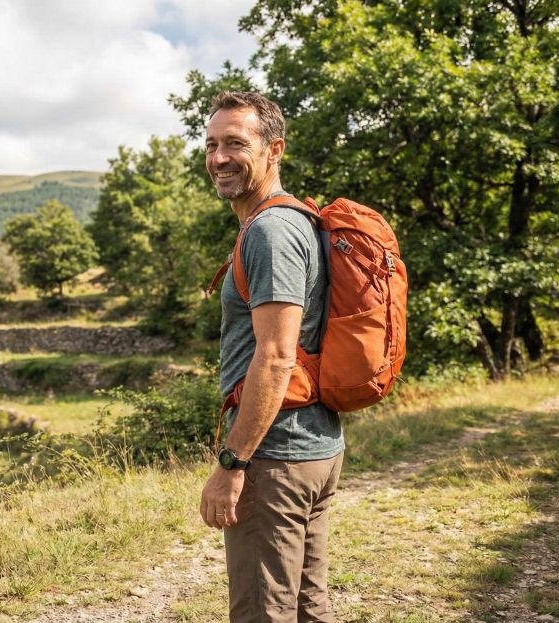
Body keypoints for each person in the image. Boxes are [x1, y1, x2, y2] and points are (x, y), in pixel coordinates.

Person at [199, 91, 345, 623]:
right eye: (212, 144)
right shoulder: (293, 221)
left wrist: (232, 464)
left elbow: (277, 357)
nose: (219, 158)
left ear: (273, 149)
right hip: (311, 447)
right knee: (307, 609)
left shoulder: (271, 231)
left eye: (235, 143)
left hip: (276, 457)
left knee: (264, 613)